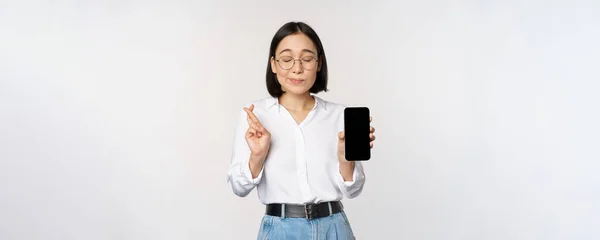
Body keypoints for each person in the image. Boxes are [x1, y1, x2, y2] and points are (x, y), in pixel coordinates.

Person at [226, 21, 376, 240]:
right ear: (274, 64)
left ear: (318, 64)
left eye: (307, 59)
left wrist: (346, 159)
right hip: (280, 230)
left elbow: (353, 191)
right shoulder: (255, 115)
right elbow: (239, 188)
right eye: (287, 60)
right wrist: (257, 156)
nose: (297, 68)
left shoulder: (339, 115)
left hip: (334, 227)